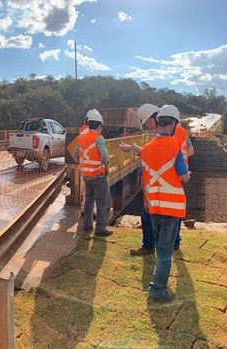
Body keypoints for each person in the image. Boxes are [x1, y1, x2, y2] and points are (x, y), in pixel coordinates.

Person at [121, 104, 194, 254]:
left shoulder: (172, 134)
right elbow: (188, 151)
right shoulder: (175, 132)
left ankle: (151, 245)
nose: (148, 125)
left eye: (148, 122)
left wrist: (169, 164)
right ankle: (172, 242)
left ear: (156, 117)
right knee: (172, 212)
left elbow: (169, 153)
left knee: (149, 213)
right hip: (174, 177)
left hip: (165, 179)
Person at [141, 104, 190, 302]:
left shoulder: (146, 149)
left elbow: (144, 179)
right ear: (174, 124)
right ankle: (157, 290)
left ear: (158, 123)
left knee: (160, 248)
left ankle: (157, 285)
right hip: (171, 209)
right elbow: (183, 177)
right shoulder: (174, 147)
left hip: (153, 207)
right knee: (164, 252)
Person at [73, 109, 113, 237]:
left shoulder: (81, 136)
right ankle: (101, 229)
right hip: (99, 175)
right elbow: (105, 157)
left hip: (86, 175)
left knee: (89, 200)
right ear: (100, 125)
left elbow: (75, 154)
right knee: (102, 202)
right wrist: (104, 162)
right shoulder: (98, 138)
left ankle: (87, 225)